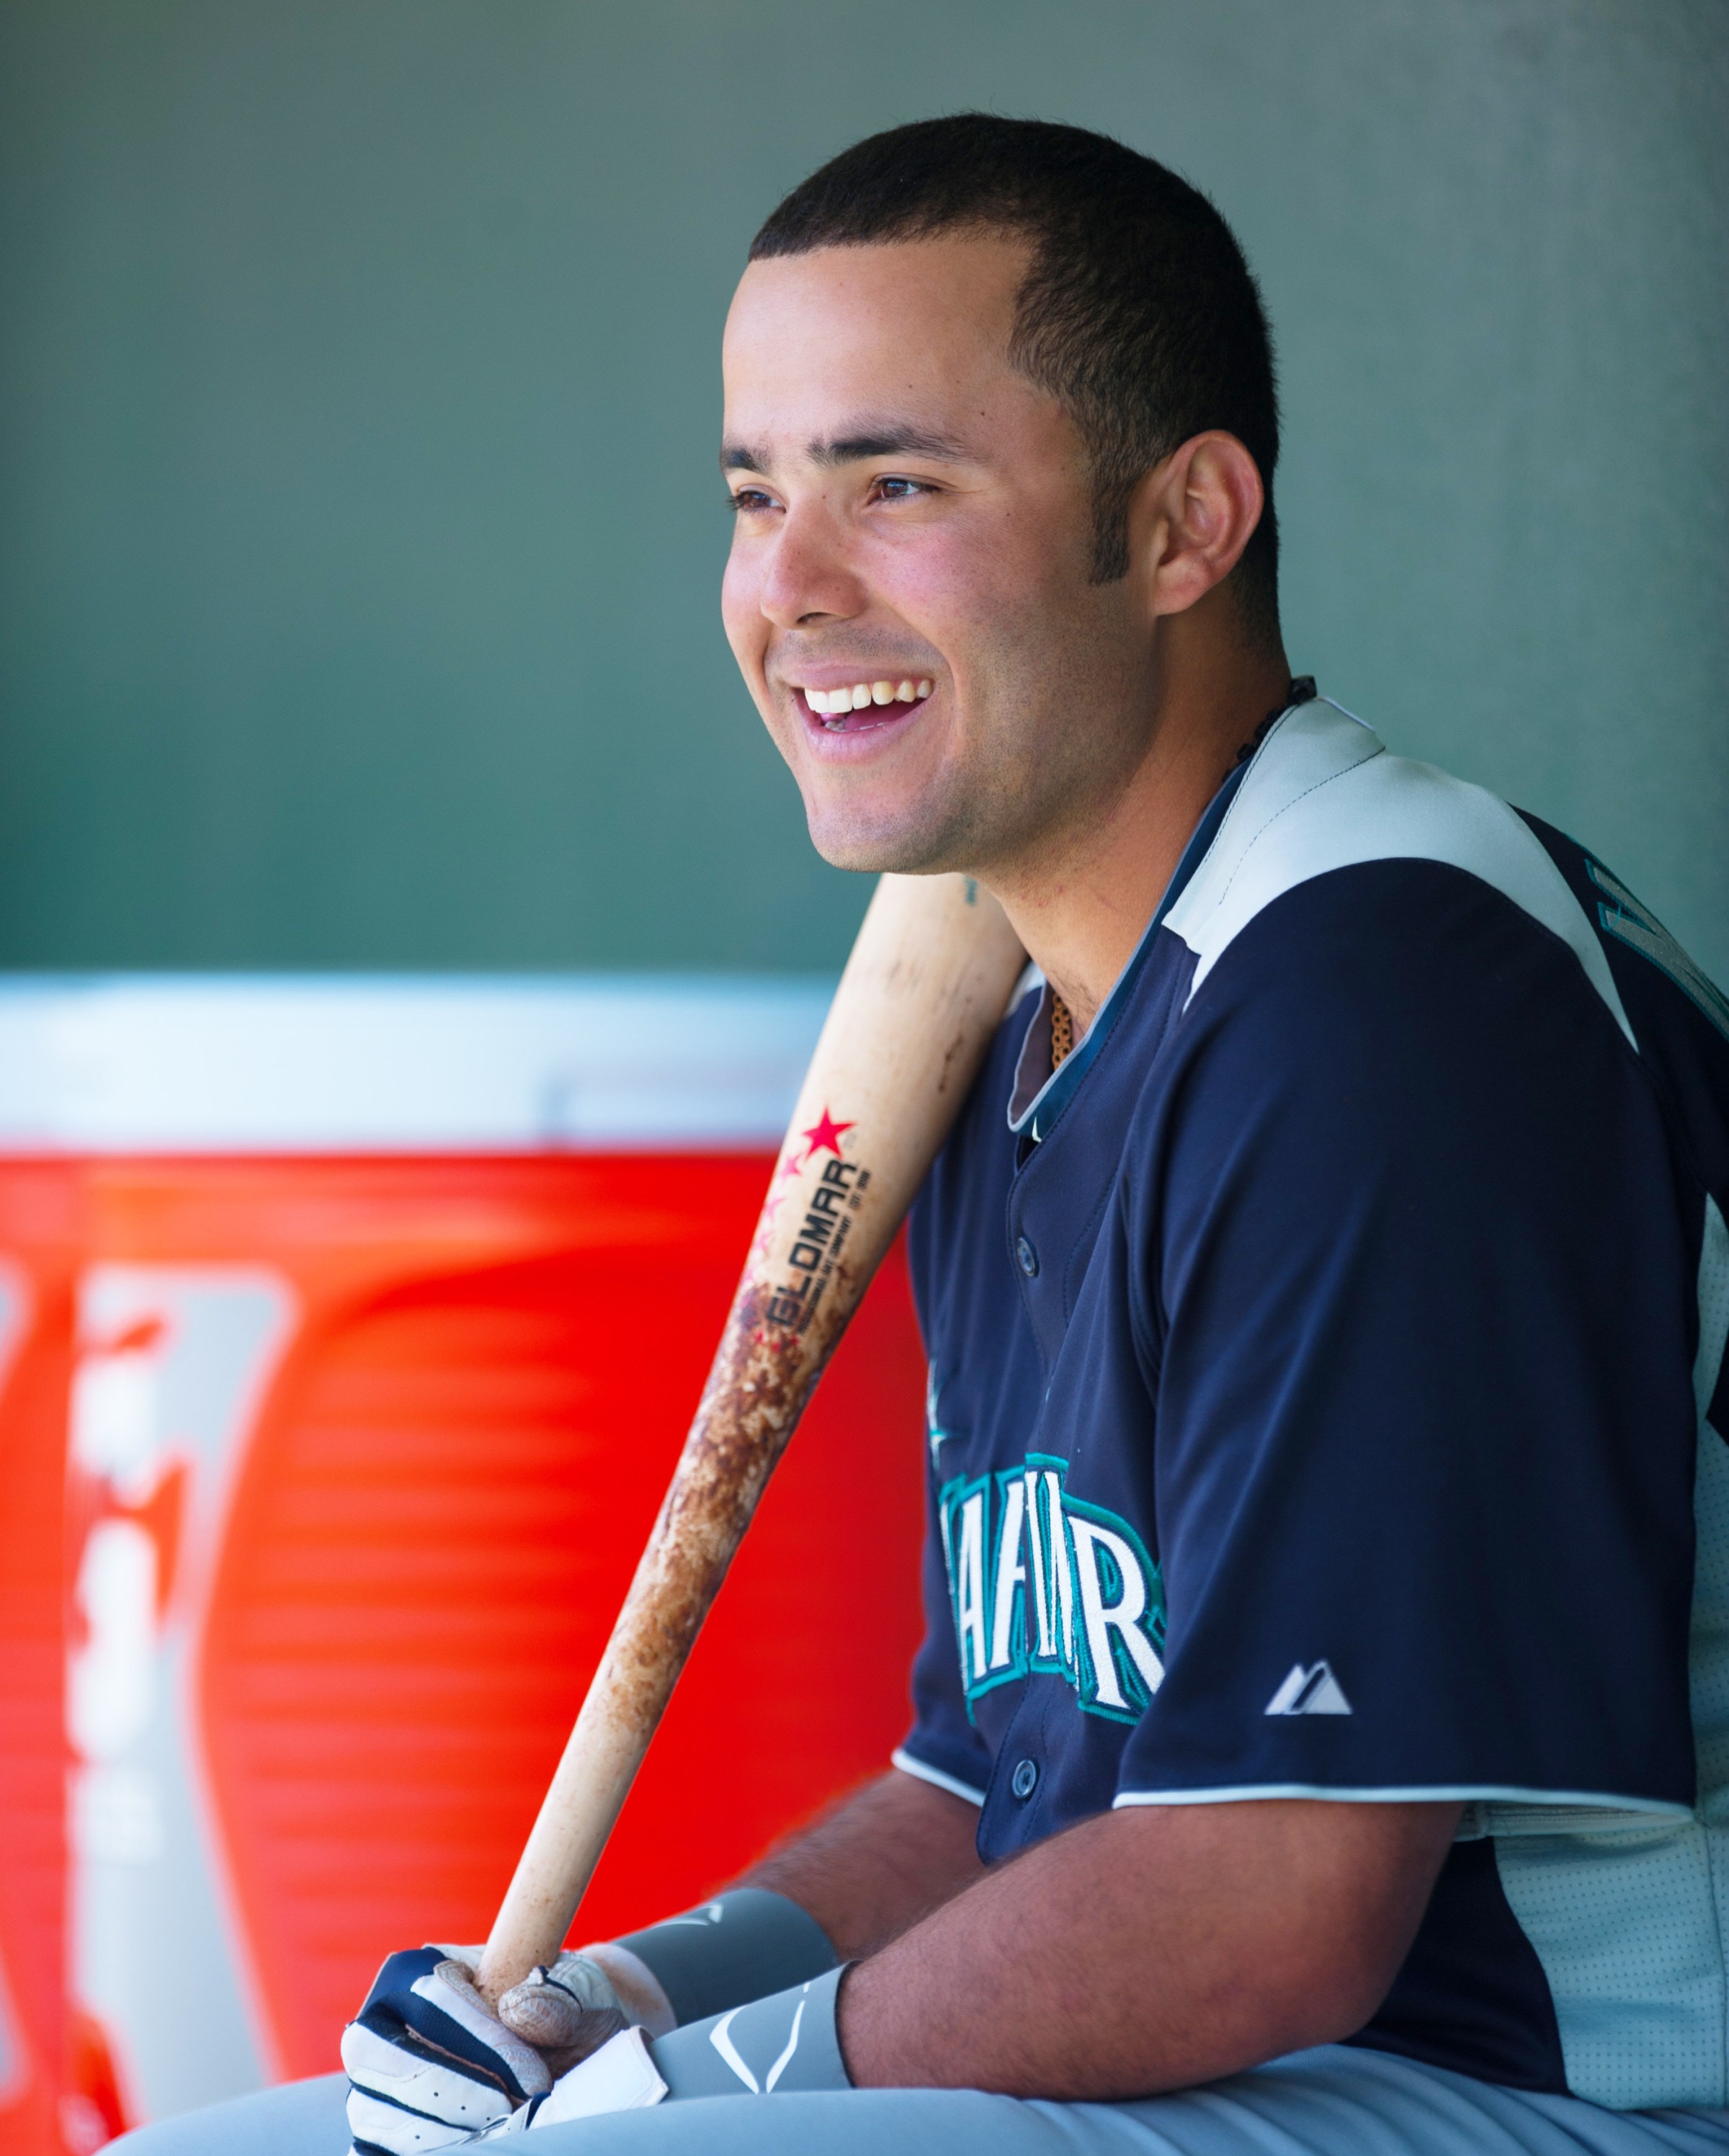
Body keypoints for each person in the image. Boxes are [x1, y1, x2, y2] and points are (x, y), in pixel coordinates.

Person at [119, 114, 1729, 2156]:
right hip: (1269, 2064)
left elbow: (1267, 1906)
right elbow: (989, 1795)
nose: (785, 587)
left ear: (1180, 528)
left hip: (1558, 2092)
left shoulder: (1378, 995)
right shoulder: (1018, 978)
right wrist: (612, 1996)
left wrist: (676, 2086)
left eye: (895, 484)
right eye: (752, 493)